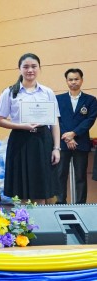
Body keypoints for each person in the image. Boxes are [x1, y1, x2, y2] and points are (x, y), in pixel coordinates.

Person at [0, 53, 61, 204]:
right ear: (19, 69)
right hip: (20, 140)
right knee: (21, 187)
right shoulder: (10, 92)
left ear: (39, 68)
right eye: (25, 67)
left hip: (42, 141)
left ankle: (42, 217)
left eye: (33, 66)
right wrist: (21, 126)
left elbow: (55, 122)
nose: (30, 70)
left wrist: (56, 148)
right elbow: (0, 120)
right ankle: (23, 217)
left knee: (42, 186)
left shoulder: (47, 92)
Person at [54, 68, 96, 203]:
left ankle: (81, 204)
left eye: (76, 79)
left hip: (81, 142)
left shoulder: (90, 100)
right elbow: (56, 120)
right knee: (61, 175)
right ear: (66, 81)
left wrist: (73, 134)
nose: (73, 82)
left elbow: (90, 120)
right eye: (70, 79)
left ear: (82, 80)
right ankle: (60, 204)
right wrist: (67, 137)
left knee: (80, 176)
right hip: (62, 143)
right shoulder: (58, 99)